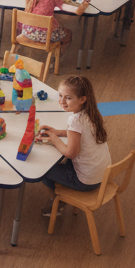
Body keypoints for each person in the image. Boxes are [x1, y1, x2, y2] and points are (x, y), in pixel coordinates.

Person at [37, 76, 111, 218]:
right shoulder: (91, 113)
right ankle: (61, 195)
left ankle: (57, 203)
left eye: (68, 98)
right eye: (60, 95)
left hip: (86, 182)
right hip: (102, 174)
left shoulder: (75, 120)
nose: (62, 101)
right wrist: (58, 132)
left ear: (82, 99)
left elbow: (71, 153)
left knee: (43, 170)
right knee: (58, 161)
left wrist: (53, 138)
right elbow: (80, 134)